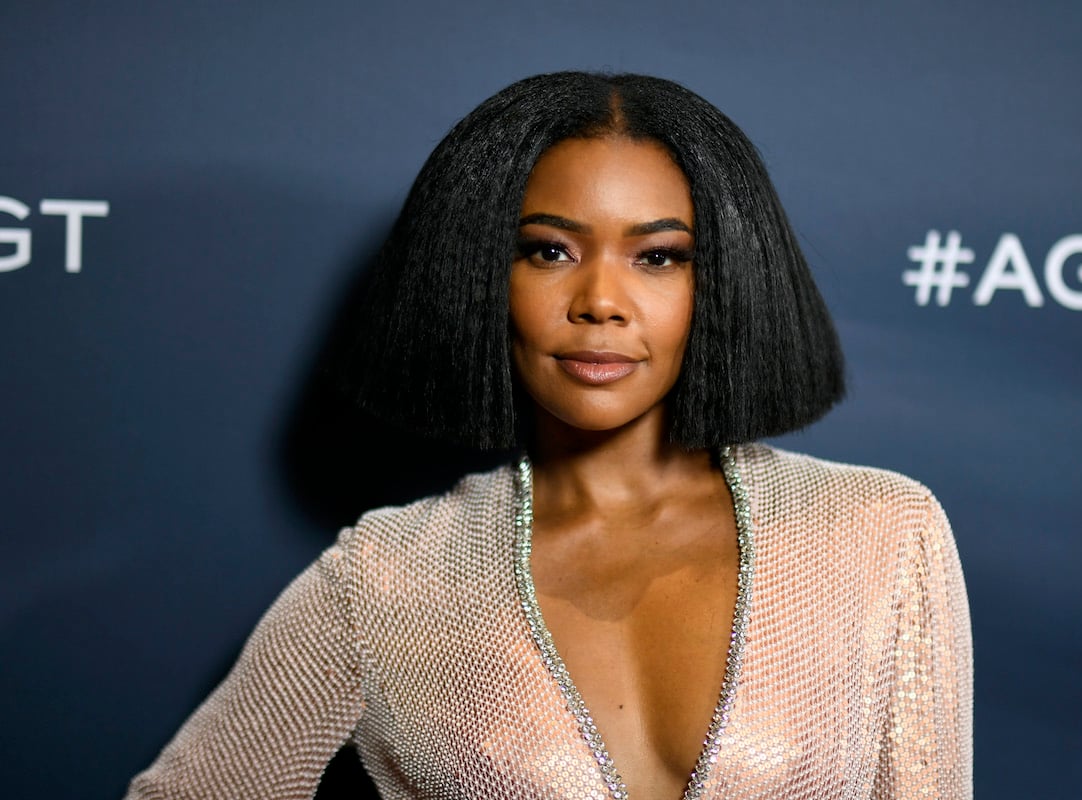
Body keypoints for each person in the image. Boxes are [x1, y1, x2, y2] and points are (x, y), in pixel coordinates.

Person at [126, 72, 971, 800]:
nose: (601, 300)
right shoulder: (384, 577)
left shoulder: (878, 530)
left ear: (720, 286)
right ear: (477, 276)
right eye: (549, 251)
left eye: (659, 257)